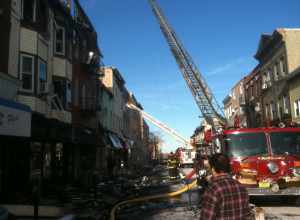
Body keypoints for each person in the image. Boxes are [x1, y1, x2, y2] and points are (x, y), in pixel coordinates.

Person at [199, 153, 253, 220]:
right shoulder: (241, 187)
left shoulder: (213, 189)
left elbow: (206, 217)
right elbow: (248, 216)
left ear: (213, 169)